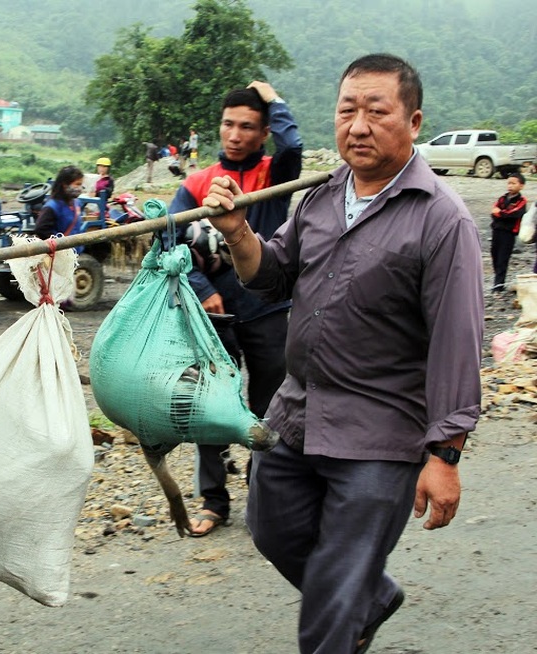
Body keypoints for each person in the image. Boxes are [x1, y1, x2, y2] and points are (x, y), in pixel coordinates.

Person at [202, 53, 484, 653]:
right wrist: (237, 233)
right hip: (297, 414)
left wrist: (446, 452)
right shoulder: (321, 199)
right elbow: (270, 275)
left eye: (376, 111)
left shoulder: (441, 219)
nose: (358, 125)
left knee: (334, 585)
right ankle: (370, 595)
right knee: (272, 528)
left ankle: (351, 600)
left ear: (413, 121)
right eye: (347, 110)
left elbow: (458, 342)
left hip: (380, 432)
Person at [169, 81, 302, 537]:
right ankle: (213, 501)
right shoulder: (197, 183)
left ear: (263, 132)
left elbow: (295, 144)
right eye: (228, 124)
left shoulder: (274, 175)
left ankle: (264, 495)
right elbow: (169, 240)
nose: (236, 134)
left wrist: (275, 100)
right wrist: (203, 285)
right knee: (210, 403)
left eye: (248, 126)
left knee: (272, 406)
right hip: (214, 317)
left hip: (267, 307)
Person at [489, 172, 527, 292]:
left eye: (513, 183)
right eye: (508, 183)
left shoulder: (521, 200)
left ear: (521, 186)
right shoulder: (502, 198)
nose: (510, 186)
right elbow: (493, 212)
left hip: (509, 232)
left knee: (503, 256)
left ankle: (499, 283)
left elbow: (515, 214)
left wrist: (500, 213)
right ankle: (498, 278)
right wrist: (501, 214)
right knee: (494, 253)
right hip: (497, 230)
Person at [34, 165, 85, 240]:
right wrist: (60, 244)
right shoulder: (52, 207)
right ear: (65, 185)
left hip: (76, 250)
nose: (80, 188)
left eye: (81, 184)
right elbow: (41, 229)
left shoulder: (77, 203)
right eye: (77, 184)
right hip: (62, 250)